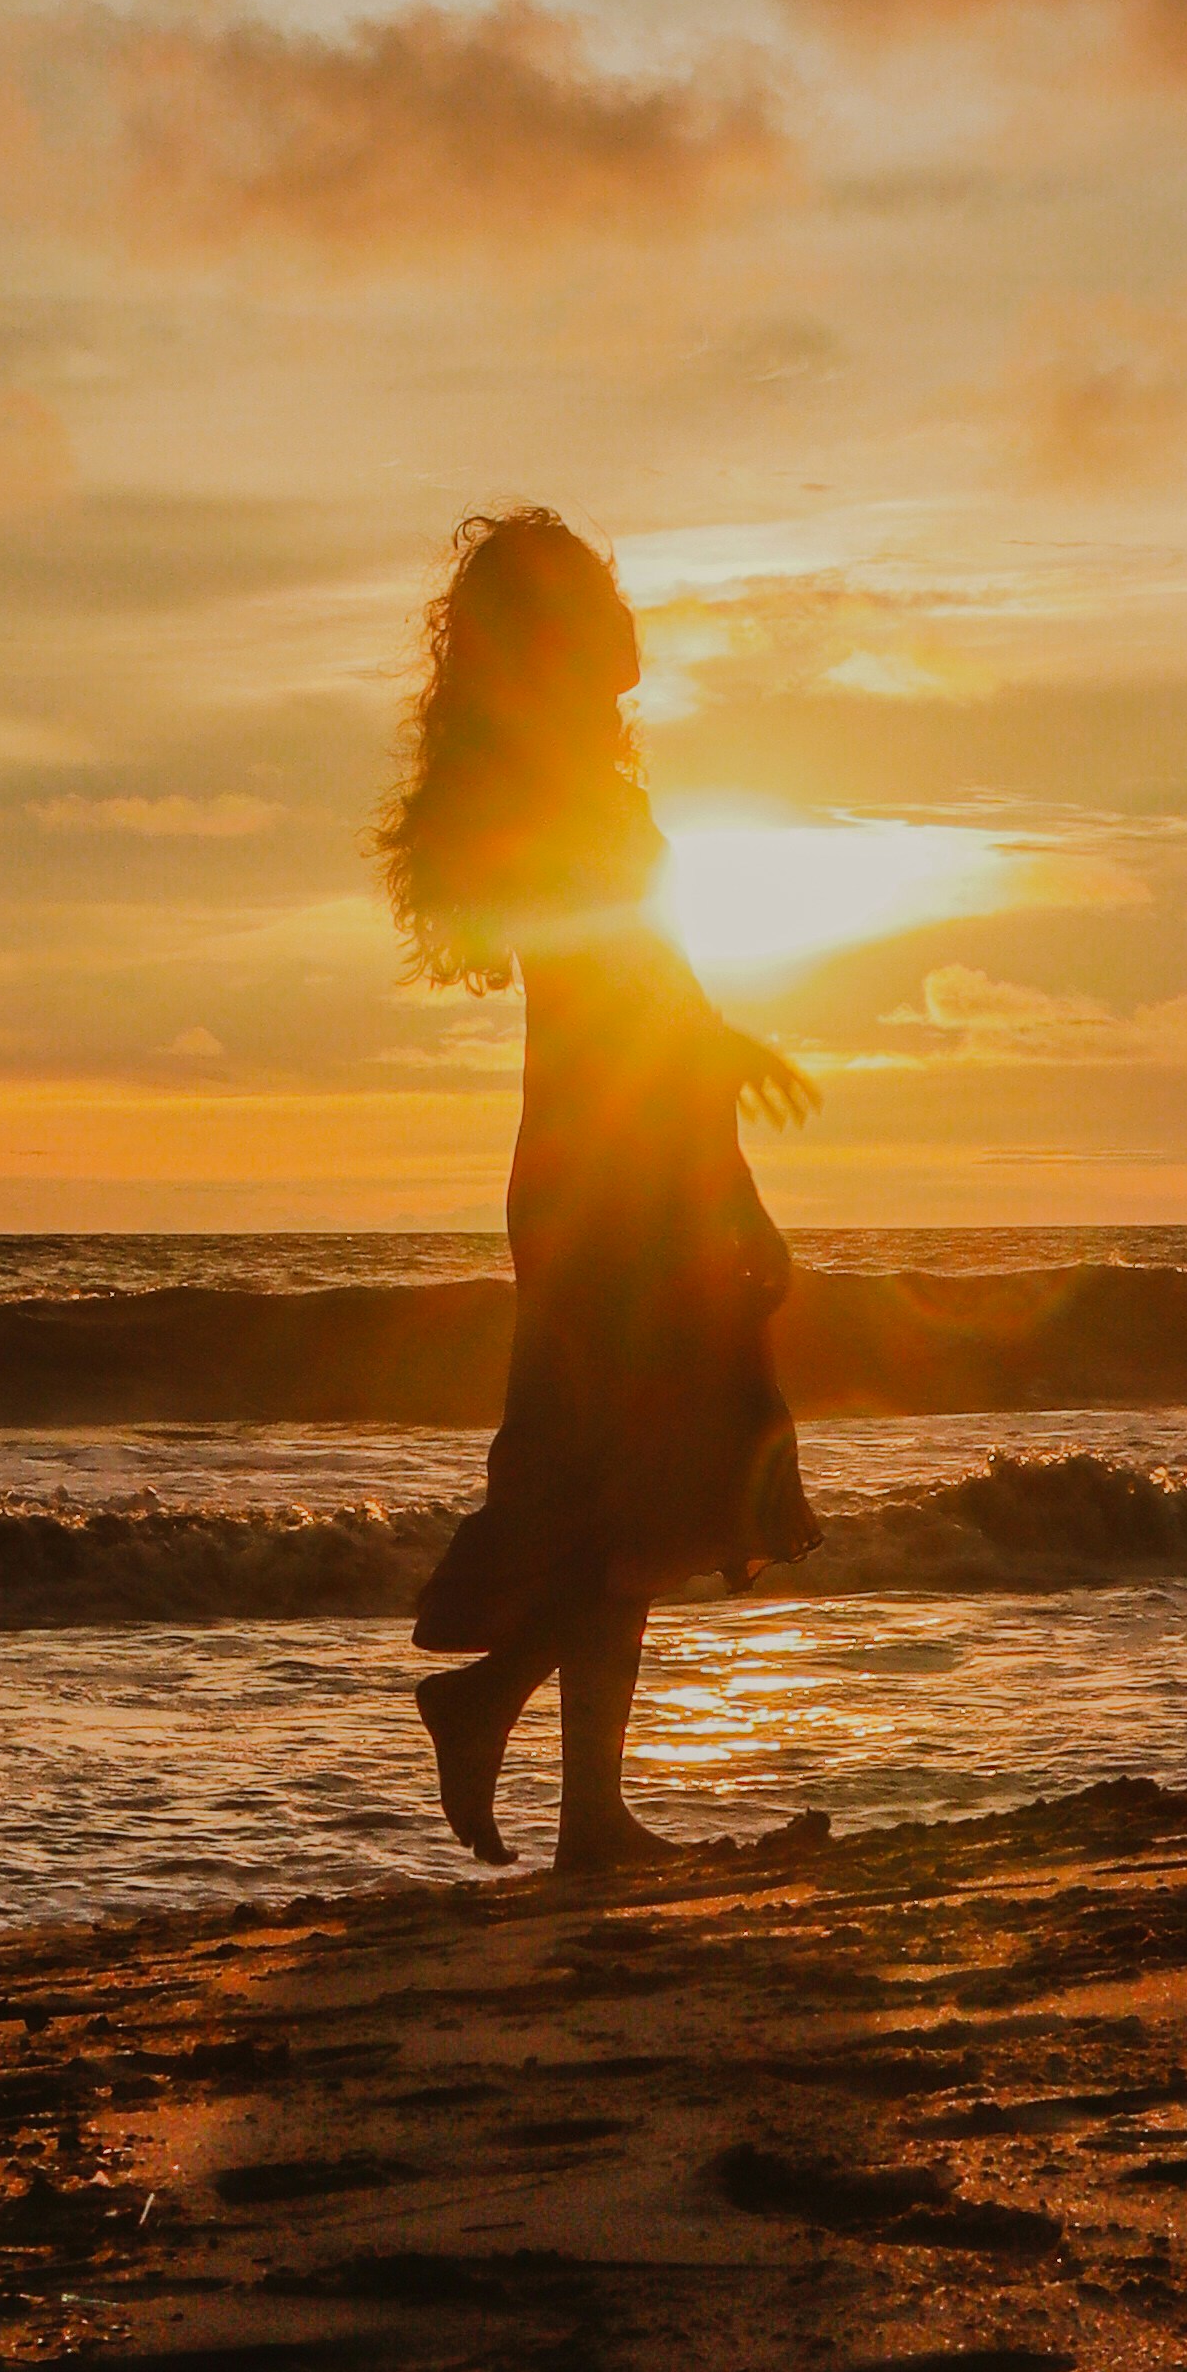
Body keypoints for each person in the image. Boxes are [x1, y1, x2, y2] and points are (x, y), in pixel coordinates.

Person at [378, 506, 817, 1872]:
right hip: (616, 1165)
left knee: (619, 1484)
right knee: (637, 1471)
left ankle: (569, 1793)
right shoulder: (562, 788)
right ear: (565, 633)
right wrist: (726, 1129)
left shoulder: (556, 778)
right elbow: (621, 973)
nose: (634, 618)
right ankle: (516, 1734)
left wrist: (718, 1073)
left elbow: (633, 973)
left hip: (600, 1151)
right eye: (607, 599)